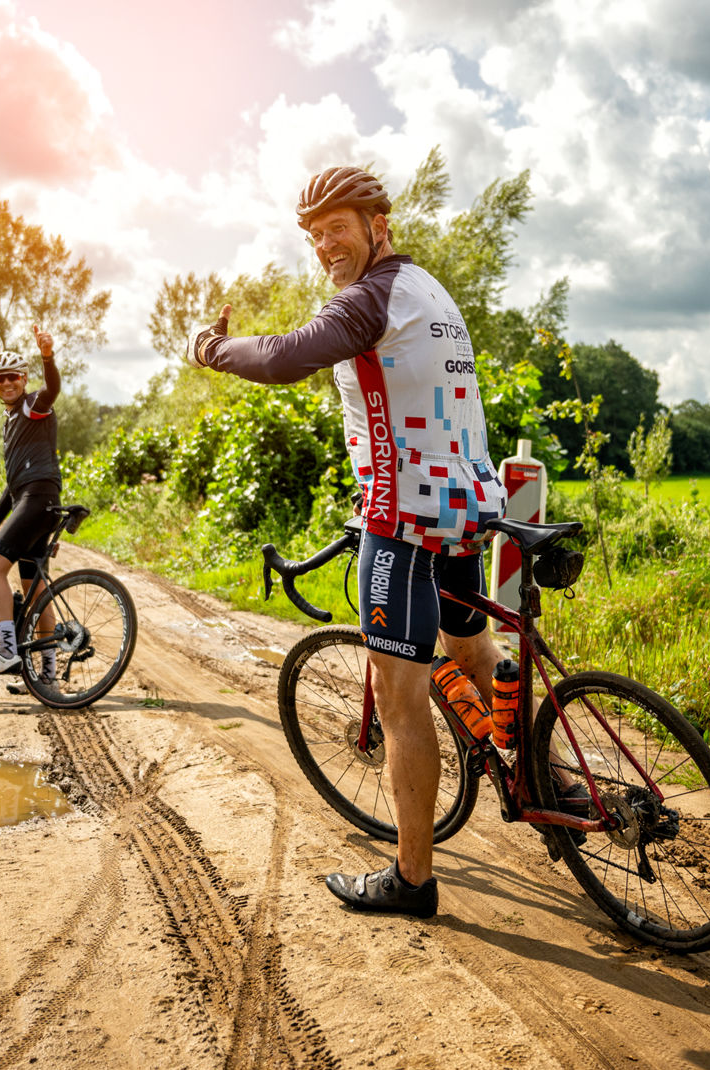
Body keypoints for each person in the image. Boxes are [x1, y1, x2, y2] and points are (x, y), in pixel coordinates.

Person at [189, 166, 509, 918]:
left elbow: (281, 359)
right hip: (464, 504)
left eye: (336, 226)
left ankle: (411, 881)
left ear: (378, 225)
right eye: (312, 234)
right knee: (474, 649)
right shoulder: (429, 290)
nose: (323, 244)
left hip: (401, 520)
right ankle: (542, 774)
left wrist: (210, 348)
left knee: (400, 703)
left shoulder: (370, 298)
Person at [0, 326, 62, 680]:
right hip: (37, 500)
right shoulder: (10, 423)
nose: (7, 383)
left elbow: (52, 389)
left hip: (37, 500)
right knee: (35, 590)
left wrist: (47, 355)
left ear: (23, 379)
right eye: (0, 379)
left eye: (13, 377)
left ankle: (7, 652)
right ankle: (48, 674)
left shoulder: (33, 405)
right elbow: (11, 487)